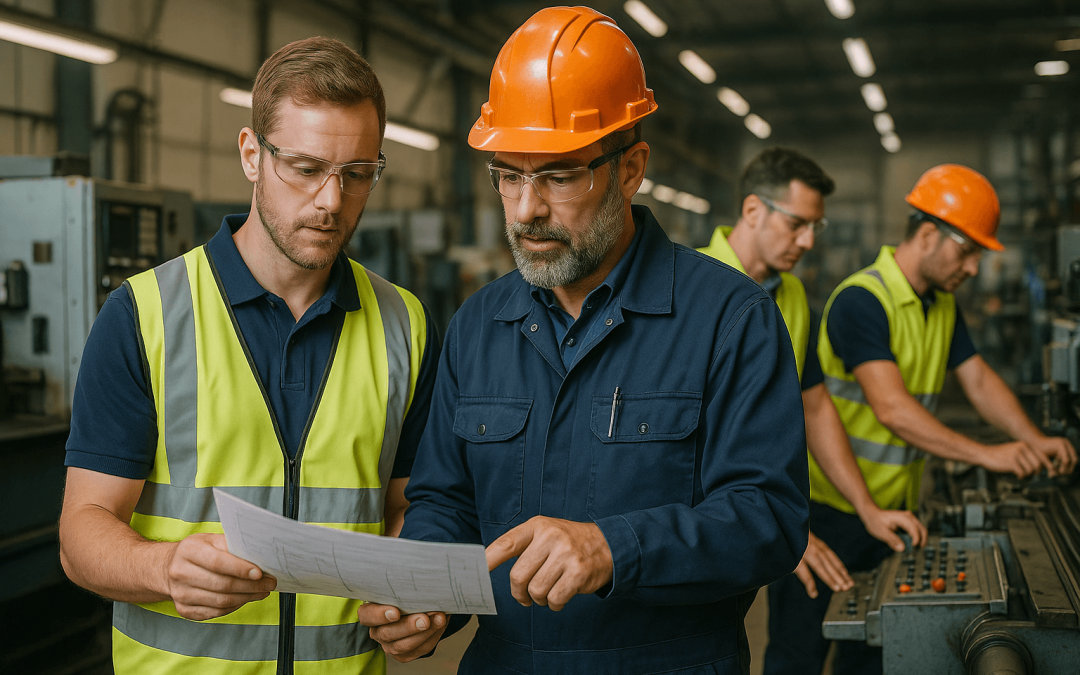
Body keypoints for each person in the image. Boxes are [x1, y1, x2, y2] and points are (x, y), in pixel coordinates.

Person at [356, 7, 810, 673]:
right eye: (508, 173)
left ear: (631, 169)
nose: (525, 208)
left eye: (559, 175)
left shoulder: (729, 317)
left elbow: (767, 519)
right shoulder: (480, 324)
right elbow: (446, 501)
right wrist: (428, 599)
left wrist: (615, 548)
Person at [58, 37, 438, 675]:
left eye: (357, 174)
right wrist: (162, 567)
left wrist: (414, 594)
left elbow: (410, 506)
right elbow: (81, 533)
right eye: (307, 167)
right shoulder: (145, 314)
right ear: (251, 155)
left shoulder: (403, 322)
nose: (330, 200)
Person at [766, 163, 1078, 675]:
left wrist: (1033, 439)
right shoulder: (861, 300)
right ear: (929, 235)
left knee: (868, 657)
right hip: (828, 514)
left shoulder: (942, 306)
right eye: (968, 250)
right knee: (797, 655)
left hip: (893, 516)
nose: (974, 268)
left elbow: (977, 380)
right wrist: (989, 454)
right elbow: (892, 409)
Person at [697, 148, 926, 611]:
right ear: (753, 210)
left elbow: (816, 405)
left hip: (761, 516)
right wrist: (771, 526)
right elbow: (681, 436)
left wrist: (867, 509)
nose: (807, 242)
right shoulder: (688, 285)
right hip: (696, 529)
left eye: (814, 228)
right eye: (796, 224)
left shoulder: (794, 295)